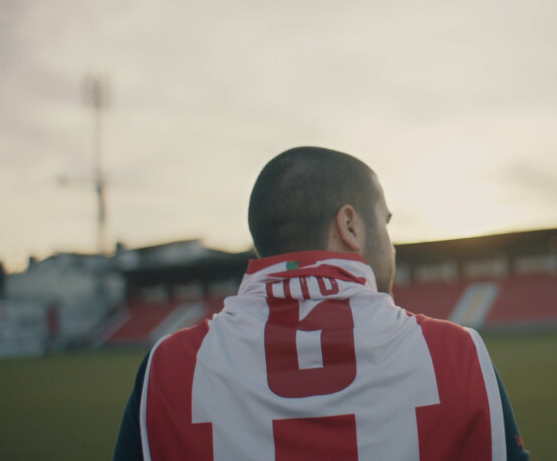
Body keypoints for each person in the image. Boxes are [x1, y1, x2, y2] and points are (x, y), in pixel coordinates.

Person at [113, 147, 529, 460]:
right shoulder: (456, 357)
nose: (391, 244)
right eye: (384, 223)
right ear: (349, 225)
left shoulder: (168, 370)